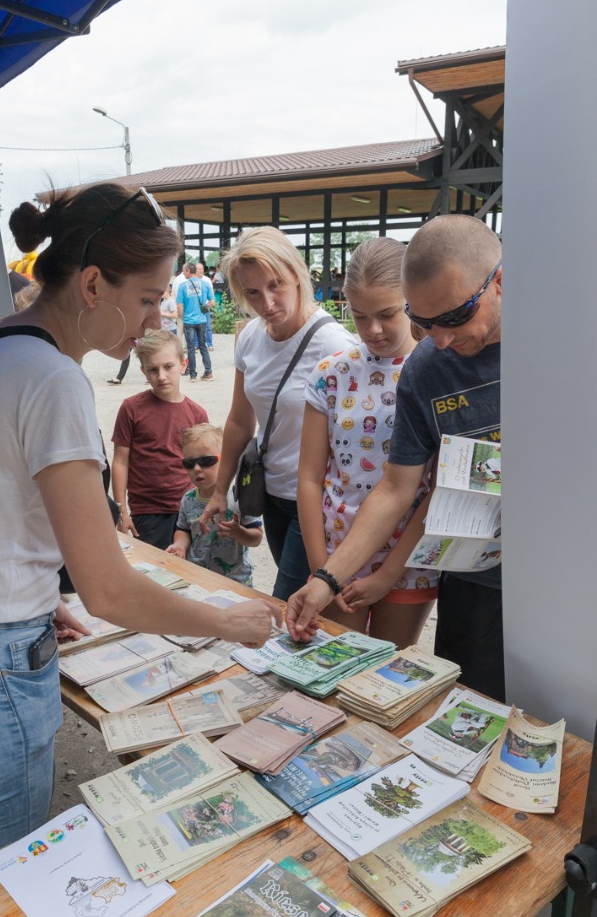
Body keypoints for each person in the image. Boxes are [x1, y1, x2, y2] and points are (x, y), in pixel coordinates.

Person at [0, 182, 276, 871]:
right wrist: (230, 623)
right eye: (150, 298)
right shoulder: (53, 377)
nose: (156, 319)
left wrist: (32, 601)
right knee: (3, 878)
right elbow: (110, 592)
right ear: (94, 284)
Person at [287, 214, 504, 700]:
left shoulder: (563, 340)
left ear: (499, 283)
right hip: (478, 581)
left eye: (453, 317)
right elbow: (398, 487)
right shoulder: (425, 369)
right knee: (478, 705)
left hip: (568, 570)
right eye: (424, 323)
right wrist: (326, 577)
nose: (441, 339)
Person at [298, 238, 437, 649]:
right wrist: (321, 566)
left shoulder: (435, 371)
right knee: (335, 665)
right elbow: (308, 477)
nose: (373, 330)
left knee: (390, 671)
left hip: (407, 560)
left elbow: (437, 486)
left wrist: (389, 573)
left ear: (410, 300)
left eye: (387, 314)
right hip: (337, 553)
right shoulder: (332, 373)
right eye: (359, 316)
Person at [200, 227, 352, 601]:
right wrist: (221, 489)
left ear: (298, 274)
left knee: (287, 601)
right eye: (252, 292)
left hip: (316, 500)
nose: (266, 302)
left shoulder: (334, 344)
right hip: (271, 494)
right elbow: (239, 419)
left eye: (276, 285)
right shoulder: (250, 336)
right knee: (305, 609)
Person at [111, 328, 208, 549]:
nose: (161, 376)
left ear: (183, 365)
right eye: (153, 369)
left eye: (168, 367)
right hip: (147, 512)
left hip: (188, 508)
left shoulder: (197, 414)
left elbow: (204, 463)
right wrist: (121, 510)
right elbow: (120, 460)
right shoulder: (131, 408)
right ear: (144, 371)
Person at [167, 423, 263, 586]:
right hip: (196, 577)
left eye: (206, 461)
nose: (197, 468)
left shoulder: (239, 497)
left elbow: (257, 537)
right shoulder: (188, 499)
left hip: (235, 580)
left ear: (226, 460)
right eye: (189, 463)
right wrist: (179, 545)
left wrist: (238, 532)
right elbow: (183, 530)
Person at [176, 262, 214, 380]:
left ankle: (193, 375)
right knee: (203, 346)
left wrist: (183, 317)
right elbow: (212, 303)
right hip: (202, 320)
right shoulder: (205, 284)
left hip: (188, 320)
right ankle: (208, 372)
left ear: (188, 271)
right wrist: (203, 308)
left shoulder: (182, 286)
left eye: (184, 270)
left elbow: (179, 307)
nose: (183, 273)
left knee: (191, 348)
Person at [196, 262, 215, 349]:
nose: (201, 270)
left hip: (206, 306)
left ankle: (209, 344)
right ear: (195, 270)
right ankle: (197, 344)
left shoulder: (207, 280)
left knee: (207, 326)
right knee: (196, 325)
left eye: (202, 269)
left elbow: (211, 292)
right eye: (199, 269)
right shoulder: (193, 280)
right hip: (195, 307)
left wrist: (209, 304)